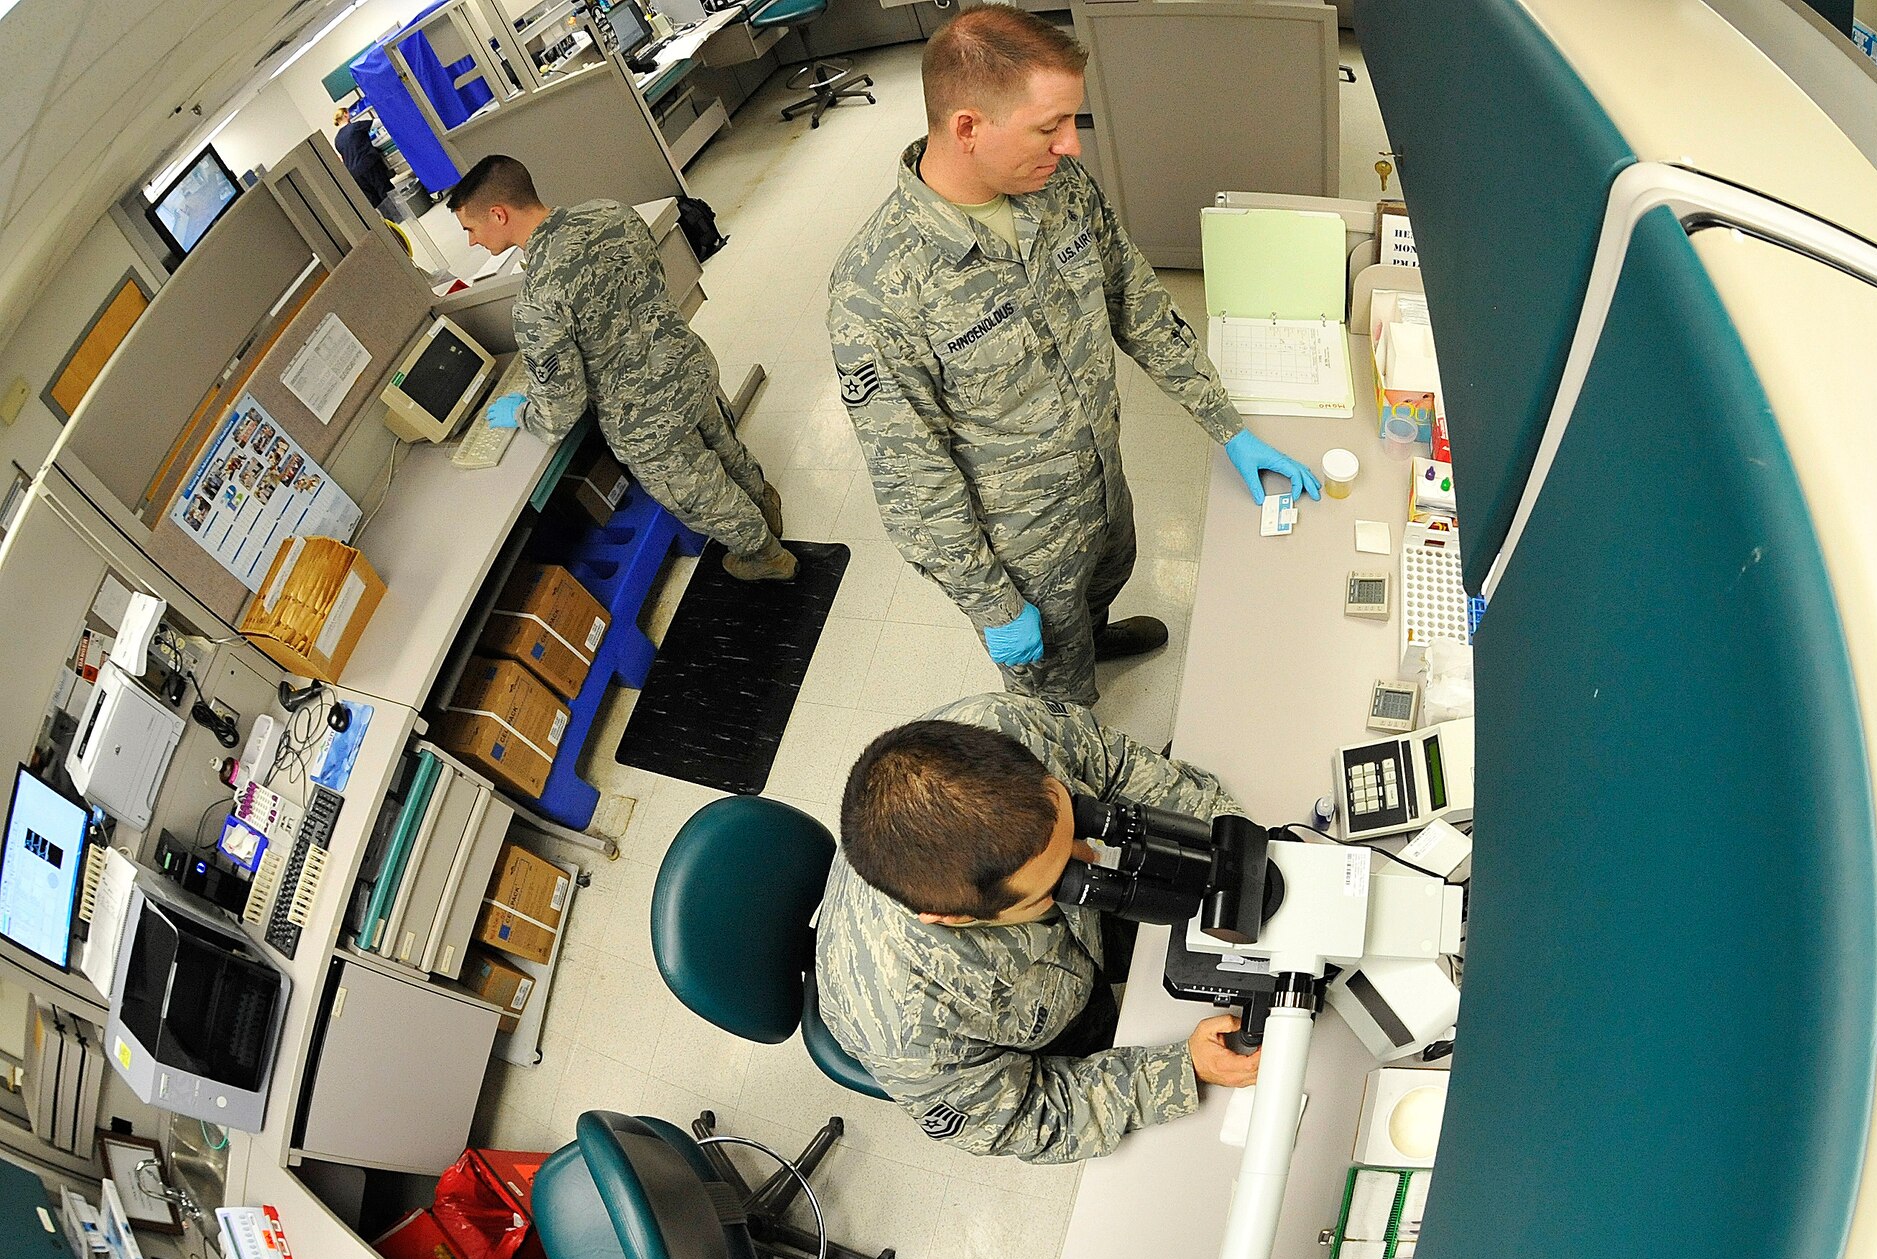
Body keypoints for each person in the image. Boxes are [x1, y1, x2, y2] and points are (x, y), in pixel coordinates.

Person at [827, 8, 1321, 707]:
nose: (1071, 147)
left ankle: (1093, 635)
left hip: (1101, 481)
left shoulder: (1055, 189)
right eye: (1047, 126)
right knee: (1058, 698)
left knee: (1107, 579)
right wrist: (991, 601)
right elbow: (912, 478)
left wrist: (1229, 428)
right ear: (968, 127)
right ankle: (1075, 730)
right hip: (1021, 548)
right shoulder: (875, 288)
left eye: (1071, 123)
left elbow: (1138, 304)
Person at [815, 693, 1263, 1163]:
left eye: (1075, 823)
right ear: (956, 918)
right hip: (1027, 1012)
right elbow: (1030, 1114)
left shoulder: (995, 726)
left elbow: (1112, 764)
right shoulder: (911, 1032)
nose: (1091, 860)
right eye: (1059, 883)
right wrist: (1181, 1068)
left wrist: (1231, 844)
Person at [448, 156, 794, 581]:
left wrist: (521, 411)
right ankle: (764, 500)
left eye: (471, 228)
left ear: (499, 215)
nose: (470, 242)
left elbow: (559, 412)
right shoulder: (610, 212)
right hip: (688, 367)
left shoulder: (537, 302)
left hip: (646, 422)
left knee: (702, 493)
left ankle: (763, 554)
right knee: (725, 445)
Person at [332, 108, 393, 210]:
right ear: (346, 115)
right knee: (384, 190)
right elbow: (379, 122)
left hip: (354, 174)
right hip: (369, 165)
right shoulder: (355, 127)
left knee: (374, 199)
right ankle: (401, 216)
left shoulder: (337, 140)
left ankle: (391, 222)